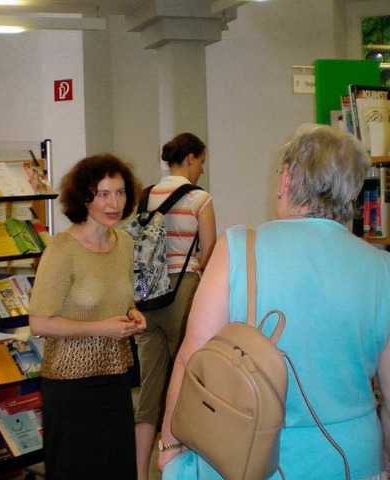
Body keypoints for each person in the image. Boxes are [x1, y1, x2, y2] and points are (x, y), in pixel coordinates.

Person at [159, 124, 390, 479]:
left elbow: (193, 357)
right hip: (351, 460)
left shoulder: (236, 248)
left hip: (248, 456)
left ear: (287, 180)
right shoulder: (382, 268)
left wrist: (170, 450)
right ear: (354, 191)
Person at [28, 153, 147, 480]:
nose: (114, 203)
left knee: (117, 467)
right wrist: (102, 328)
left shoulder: (124, 243)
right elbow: (39, 322)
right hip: (70, 385)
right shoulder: (62, 250)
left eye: (120, 192)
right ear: (84, 198)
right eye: (103, 194)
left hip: (114, 377)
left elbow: (121, 299)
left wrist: (132, 314)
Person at [134, 132, 217, 480]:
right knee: (185, 385)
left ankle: (139, 472)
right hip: (183, 295)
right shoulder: (200, 198)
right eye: (201, 161)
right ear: (191, 158)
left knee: (149, 389)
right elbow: (210, 252)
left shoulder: (146, 195)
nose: (201, 169)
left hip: (146, 297)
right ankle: (179, 469)